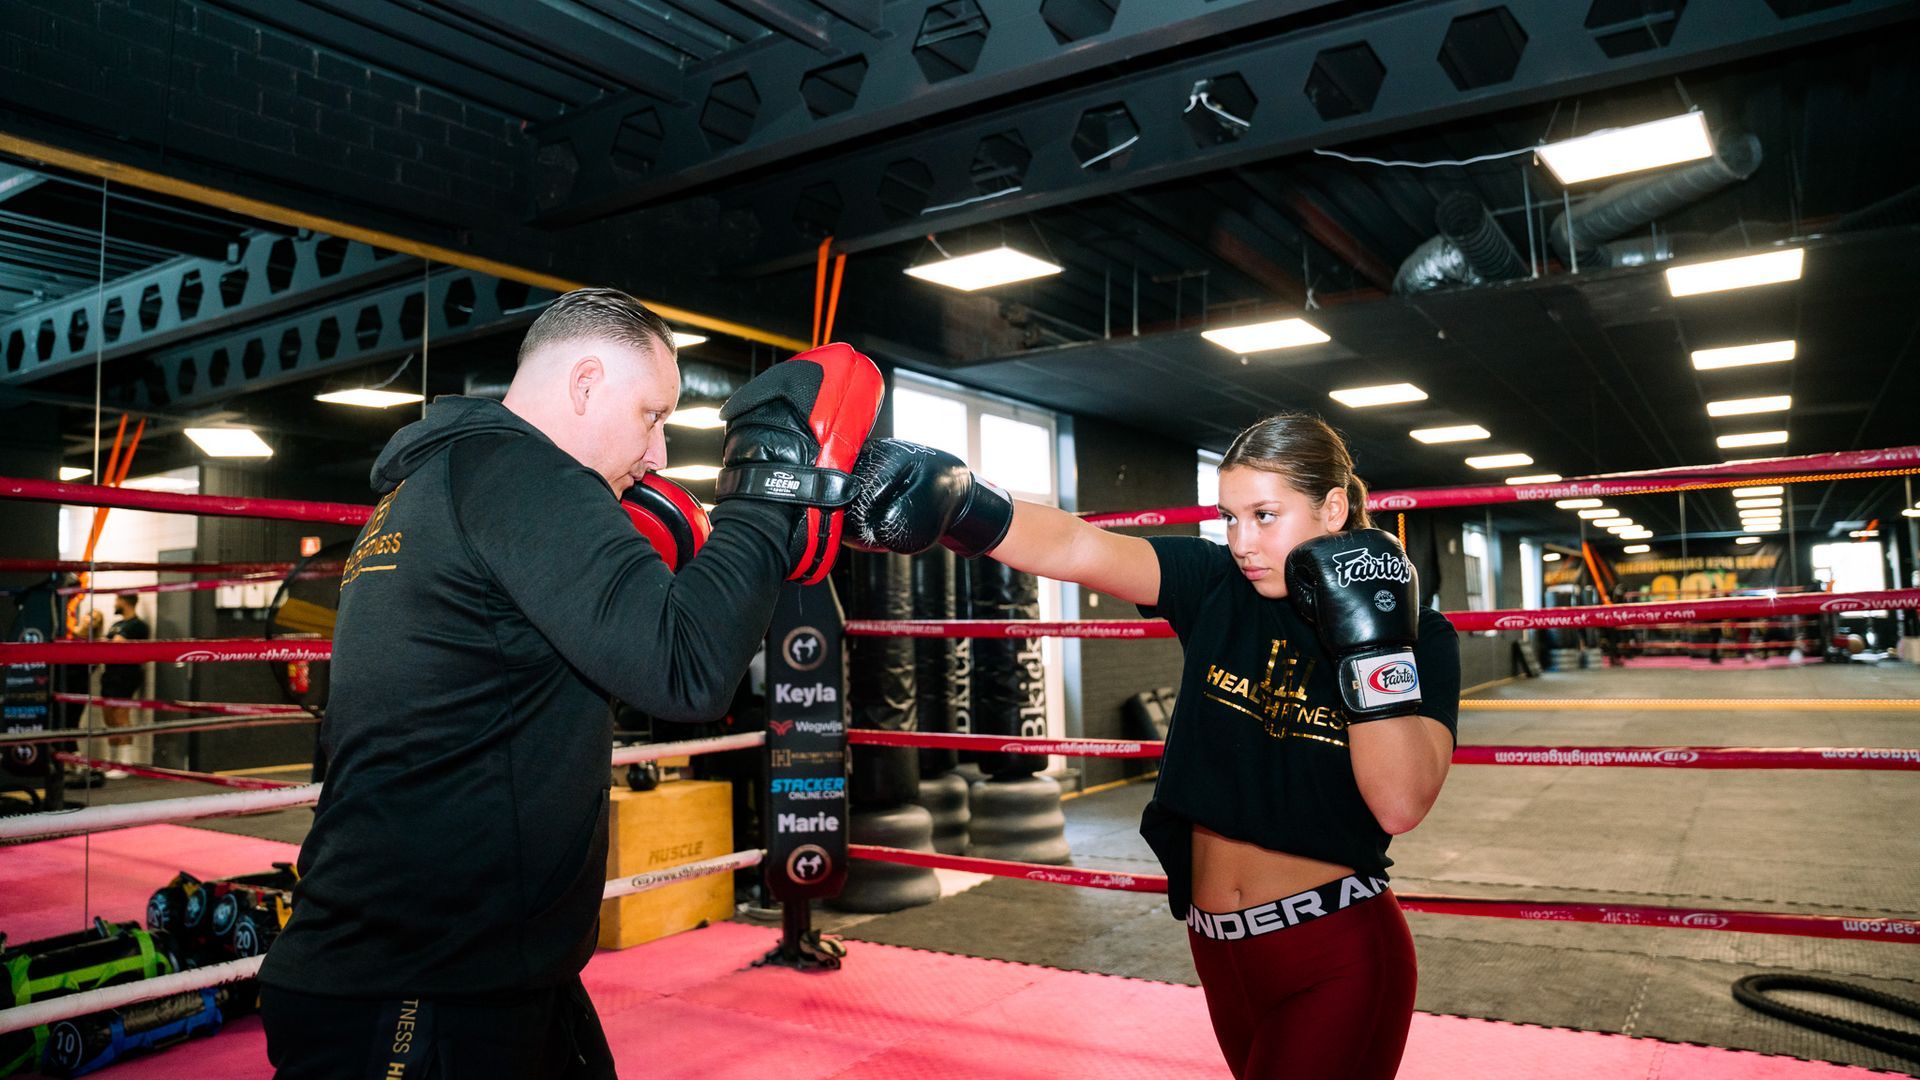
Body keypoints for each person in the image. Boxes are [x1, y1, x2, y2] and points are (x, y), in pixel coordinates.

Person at [257, 288, 882, 1079]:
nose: (658, 453)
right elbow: (687, 671)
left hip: (473, 966)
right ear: (585, 384)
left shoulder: (433, 488)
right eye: (653, 414)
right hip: (422, 988)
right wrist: (766, 494)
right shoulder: (526, 474)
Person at [844, 413, 1460, 1080]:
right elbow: (1081, 548)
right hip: (1219, 952)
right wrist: (966, 504)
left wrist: (1371, 645)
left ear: (1332, 507)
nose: (1243, 541)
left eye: (1264, 515)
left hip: (1334, 954)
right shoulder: (1217, 581)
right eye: (1231, 516)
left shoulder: (1421, 637)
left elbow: (1399, 804)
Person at [99, 593, 150, 777]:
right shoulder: (115, 625)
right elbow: (105, 646)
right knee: (109, 718)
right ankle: (113, 761)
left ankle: (125, 764)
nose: (115, 603)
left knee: (121, 716)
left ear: (125, 602)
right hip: (110, 673)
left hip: (126, 674)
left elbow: (117, 645)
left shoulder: (138, 625)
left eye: (117, 600)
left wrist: (112, 644)